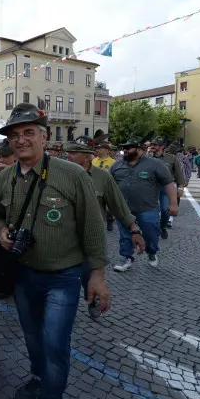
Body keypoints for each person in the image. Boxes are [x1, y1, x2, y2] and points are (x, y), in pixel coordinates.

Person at [0, 103, 109, 399]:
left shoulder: (71, 175)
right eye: (15, 135)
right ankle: (37, 376)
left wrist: (98, 277)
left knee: (55, 344)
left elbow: (93, 227)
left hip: (63, 277)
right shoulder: (4, 179)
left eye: (29, 132)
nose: (21, 140)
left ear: (44, 136)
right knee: (32, 339)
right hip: (24, 275)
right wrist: (2, 230)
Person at [64, 136, 145, 318]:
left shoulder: (102, 177)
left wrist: (134, 229)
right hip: (63, 236)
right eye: (67, 152)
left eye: (73, 153)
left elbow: (119, 206)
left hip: (90, 238)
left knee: (88, 273)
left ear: (87, 156)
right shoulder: (59, 174)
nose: (67, 156)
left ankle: (92, 300)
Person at [110, 136, 177, 271]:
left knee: (150, 234)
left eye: (129, 148)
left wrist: (173, 203)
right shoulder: (117, 166)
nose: (125, 151)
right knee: (125, 235)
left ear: (140, 150)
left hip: (147, 208)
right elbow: (109, 187)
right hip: (124, 210)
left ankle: (151, 252)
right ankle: (126, 258)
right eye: (124, 148)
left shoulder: (155, 164)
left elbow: (168, 183)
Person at [149, 137, 185, 237]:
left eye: (155, 145)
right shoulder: (147, 158)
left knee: (165, 210)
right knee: (151, 210)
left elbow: (179, 174)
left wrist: (180, 187)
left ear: (162, 147)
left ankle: (163, 226)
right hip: (151, 188)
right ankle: (153, 228)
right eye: (152, 144)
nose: (152, 146)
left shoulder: (172, 158)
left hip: (166, 188)